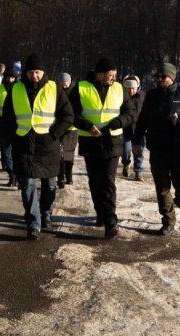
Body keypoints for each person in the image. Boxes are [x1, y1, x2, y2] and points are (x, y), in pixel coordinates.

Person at [68, 58, 136, 239]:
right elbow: (70, 114)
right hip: (91, 141)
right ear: (99, 73)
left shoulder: (119, 89)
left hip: (113, 142)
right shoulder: (81, 88)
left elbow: (130, 113)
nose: (113, 78)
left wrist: (118, 122)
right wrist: (87, 125)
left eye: (114, 75)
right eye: (109, 75)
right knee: (95, 181)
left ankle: (110, 220)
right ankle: (100, 212)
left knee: (107, 180)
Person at [9, 55, 74, 239]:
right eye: (30, 73)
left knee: (50, 184)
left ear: (43, 72)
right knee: (27, 184)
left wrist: (54, 134)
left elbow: (67, 115)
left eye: (37, 72)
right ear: (25, 73)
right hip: (24, 145)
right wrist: (12, 136)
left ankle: (46, 213)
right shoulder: (16, 89)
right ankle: (33, 224)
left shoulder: (54, 89)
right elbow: (8, 117)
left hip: (48, 146)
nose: (34, 76)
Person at [134, 63, 180, 235]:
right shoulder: (152, 96)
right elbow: (142, 120)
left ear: (172, 77)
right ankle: (168, 221)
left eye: (163, 76)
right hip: (158, 149)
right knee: (162, 187)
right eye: (157, 77)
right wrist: (136, 140)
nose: (159, 79)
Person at [0, 68, 20, 188]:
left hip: (18, 126)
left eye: (12, 78)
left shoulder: (19, 89)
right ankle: (12, 175)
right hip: (3, 126)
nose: (10, 80)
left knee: (17, 154)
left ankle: (18, 176)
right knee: (6, 155)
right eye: (8, 77)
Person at [121, 75, 145, 180]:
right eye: (128, 89)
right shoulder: (120, 96)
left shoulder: (143, 96)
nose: (131, 91)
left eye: (133, 89)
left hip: (139, 128)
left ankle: (138, 171)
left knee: (139, 150)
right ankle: (126, 163)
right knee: (125, 151)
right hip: (125, 128)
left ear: (137, 87)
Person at [57, 73, 78, 187]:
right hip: (59, 127)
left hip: (71, 129)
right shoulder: (55, 93)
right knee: (60, 154)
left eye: (66, 82)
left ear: (70, 82)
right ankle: (60, 177)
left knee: (69, 154)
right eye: (62, 82)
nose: (64, 84)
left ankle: (69, 176)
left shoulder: (74, 94)